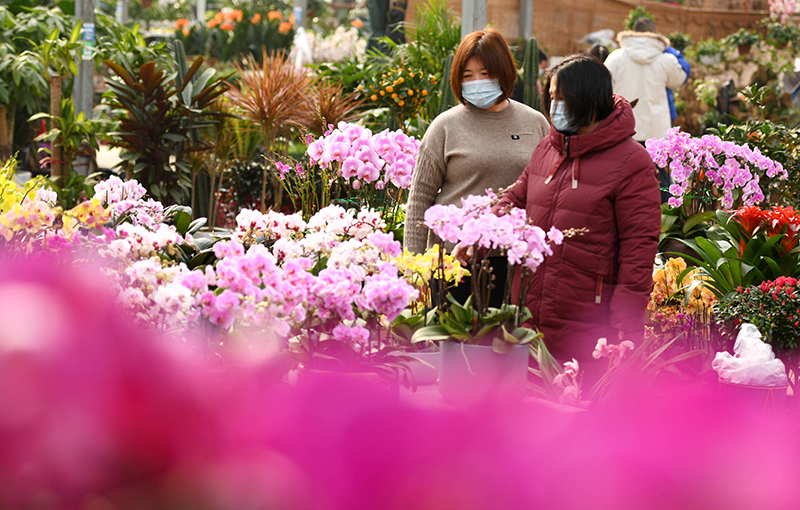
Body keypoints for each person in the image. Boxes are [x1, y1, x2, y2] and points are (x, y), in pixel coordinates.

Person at [457, 54, 660, 379]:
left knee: (576, 414)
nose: (555, 108)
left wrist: (625, 322)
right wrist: (475, 237)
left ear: (591, 100)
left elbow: (640, 247)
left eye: (563, 99)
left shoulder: (631, 161)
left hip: (588, 317)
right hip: (531, 305)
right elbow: (515, 198)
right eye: (551, 98)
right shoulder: (549, 148)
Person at [404, 27, 550, 307]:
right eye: (467, 76)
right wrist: (414, 266)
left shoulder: (534, 123)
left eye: (485, 74)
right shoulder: (444, 126)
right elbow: (419, 198)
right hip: (453, 261)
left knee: (506, 347)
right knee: (454, 348)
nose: (476, 83)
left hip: (515, 261)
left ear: (504, 72)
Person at [604, 17, 687, 143]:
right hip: (656, 130)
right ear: (654, 32)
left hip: (622, 128)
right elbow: (678, 80)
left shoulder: (616, 58)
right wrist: (676, 54)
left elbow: (604, 88)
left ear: (634, 31)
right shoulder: (666, 59)